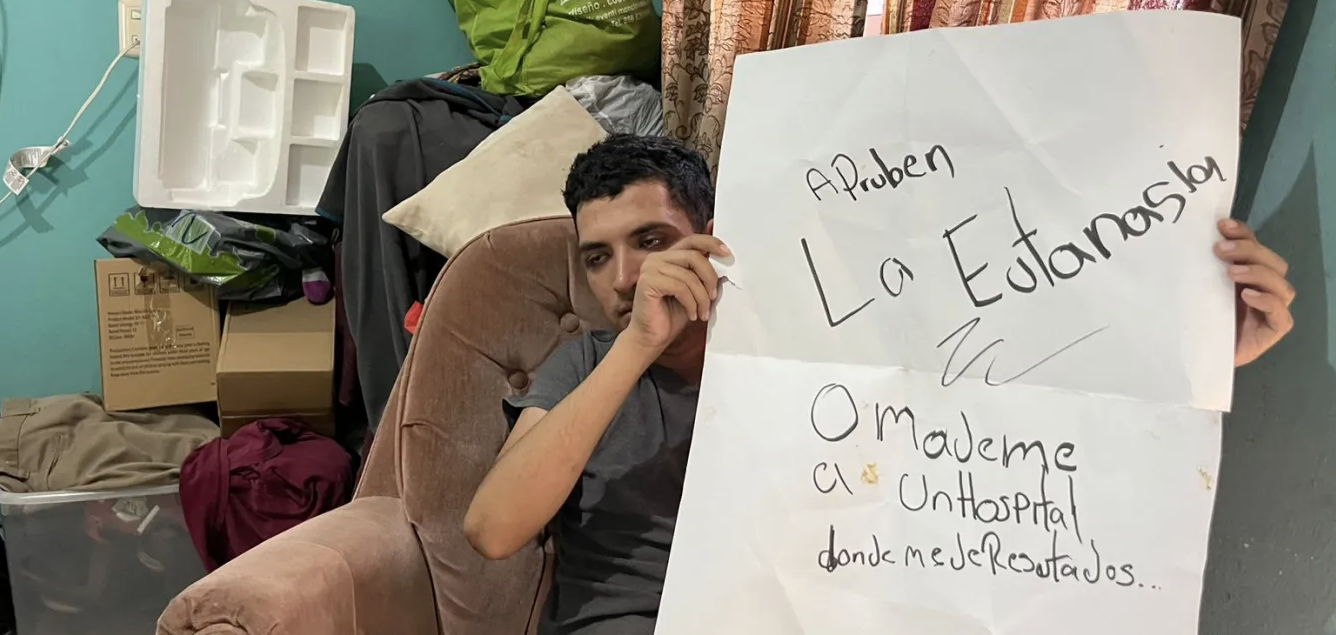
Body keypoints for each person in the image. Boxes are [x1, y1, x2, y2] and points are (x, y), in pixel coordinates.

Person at [462, 134, 1296, 634]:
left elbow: (1022, 413)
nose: (624, 277)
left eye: (650, 240)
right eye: (597, 257)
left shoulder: (814, 342)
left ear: (713, 238)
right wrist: (636, 346)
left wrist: (1204, 356)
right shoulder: (586, 365)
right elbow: (493, 529)